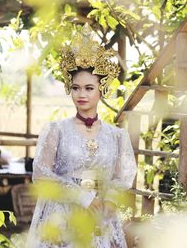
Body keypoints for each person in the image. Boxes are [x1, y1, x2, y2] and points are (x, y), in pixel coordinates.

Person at [27, 24, 137, 248]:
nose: (81, 94)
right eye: (76, 88)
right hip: (62, 218)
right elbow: (40, 174)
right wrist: (82, 197)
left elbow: (123, 175)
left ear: (101, 89)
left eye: (88, 88)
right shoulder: (56, 130)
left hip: (100, 219)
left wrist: (110, 200)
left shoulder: (117, 136)